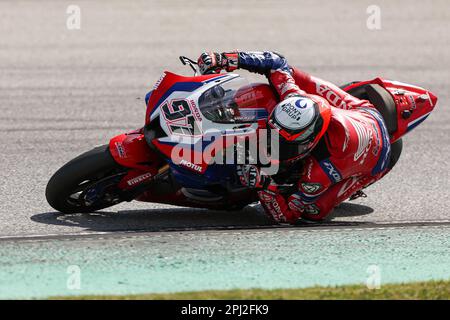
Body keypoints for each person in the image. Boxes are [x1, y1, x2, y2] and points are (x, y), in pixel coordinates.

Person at [197, 51, 391, 223]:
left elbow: (287, 216)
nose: (275, 146)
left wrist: (264, 184)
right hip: (362, 111)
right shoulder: (293, 96)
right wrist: (224, 59)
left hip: (376, 157)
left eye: (286, 145)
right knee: (290, 73)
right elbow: (275, 62)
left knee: (312, 213)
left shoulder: (321, 172)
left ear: (309, 143)